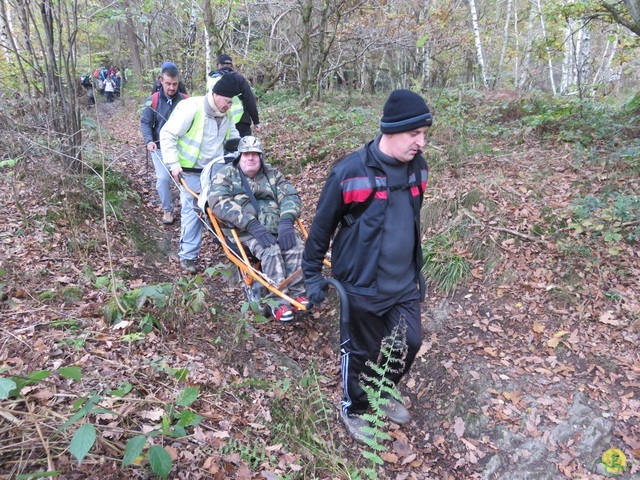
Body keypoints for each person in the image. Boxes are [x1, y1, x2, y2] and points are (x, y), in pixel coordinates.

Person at [302, 89, 432, 443]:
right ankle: (354, 407)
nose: (421, 142)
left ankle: (381, 388)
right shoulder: (349, 172)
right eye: (414, 134)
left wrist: (415, 268)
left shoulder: (418, 169)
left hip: (403, 283)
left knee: (411, 341)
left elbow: (411, 220)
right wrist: (312, 275)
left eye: (424, 134)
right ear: (391, 130)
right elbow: (320, 229)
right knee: (359, 353)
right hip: (360, 286)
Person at [205, 136, 310, 322]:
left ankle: (296, 293)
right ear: (240, 156)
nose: (251, 158)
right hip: (245, 232)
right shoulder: (226, 175)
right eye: (246, 154)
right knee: (271, 251)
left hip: (277, 226)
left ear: (261, 157)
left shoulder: (273, 175)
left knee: (296, 247)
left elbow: (290, 196)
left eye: (255, 154)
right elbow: (218, 202)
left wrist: (286, 221)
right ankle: (277, 301)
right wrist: (251, 224)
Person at [160, 73, 241, 274]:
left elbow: (234, 139)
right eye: (227, 101)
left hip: (215, 170)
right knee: (193, 213)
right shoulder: (191, 108)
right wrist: (173, 164)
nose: (229, 106)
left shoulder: (227, 114)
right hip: (190, 172)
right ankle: (187, 257)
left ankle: (233, 249)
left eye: (232, 102)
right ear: (215, 94)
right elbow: (167, 134)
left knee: (226, 206)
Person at [140, 64, 189, 225]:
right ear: (161, 81)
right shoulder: (152, 101)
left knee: (185, 179)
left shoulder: (186, 101)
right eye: (168, 83)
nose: (171, 87)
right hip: (159, 148)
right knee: (162, 179)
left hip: (182, 148)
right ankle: (168, 209)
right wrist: (149, 140)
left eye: (175, 84)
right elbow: (145, 122)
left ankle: (188, 209)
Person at [207, 54, 261, 137]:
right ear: (231, 65)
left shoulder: (211, 79)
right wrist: (256, 121)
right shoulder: (238, 78)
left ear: (219, 65)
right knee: (243, 146)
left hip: (218, 119)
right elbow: (249, 100)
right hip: (241, 120)